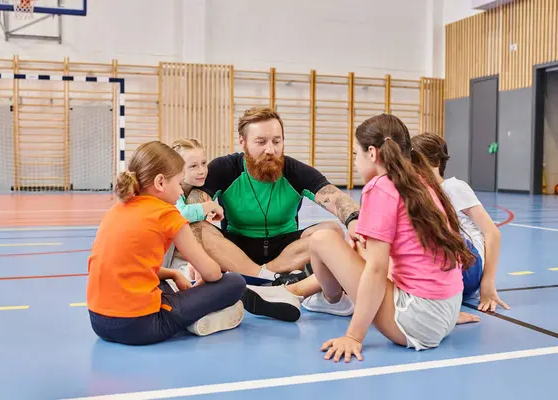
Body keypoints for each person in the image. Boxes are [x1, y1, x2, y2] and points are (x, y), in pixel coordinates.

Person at [311, 114, 477, 362]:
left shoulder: (380, 187)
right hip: (448, 309)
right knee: (360, 247)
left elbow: (377, 270)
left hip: (416, 320)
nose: (355, 162)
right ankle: (327, 296)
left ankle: (333, 301)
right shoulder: (422, 182)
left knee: (322, 239)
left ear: (371, 153)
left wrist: (354, 336)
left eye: (355, 154)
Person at [184, 107, 359, 321]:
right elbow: (193, 203)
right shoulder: (225, 168)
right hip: (235, 248)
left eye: (277, 141)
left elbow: (335, 198)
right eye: (261, 142)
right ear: (243, 142)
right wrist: (197, 256)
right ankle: (271, 281)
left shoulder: (294, 171)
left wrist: (354, 219)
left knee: (331, 231)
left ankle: (258, 281)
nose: (270, 150)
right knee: (198, 228)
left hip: (285, 251)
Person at [86, 141, 247, 345]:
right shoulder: (168, 214)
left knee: (164, 283)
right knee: (234, 282)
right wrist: (209, 280)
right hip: (141, 327)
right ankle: (195, 319)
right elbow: (211, 273)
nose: (181, 192)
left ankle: (187, 311)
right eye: (179, 183)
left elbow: (130, 265)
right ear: (160, 182)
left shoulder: (116, 210)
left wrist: (172, 273)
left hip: (99, 323)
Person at [411, 132, 509, 313]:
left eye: (420, 163)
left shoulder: (453, 187)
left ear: (437, 163)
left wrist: (487, 283)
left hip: (470, 263)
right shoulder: (421, 194)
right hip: (448, 275)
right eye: (413, 165)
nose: (416, 170)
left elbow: (492, 232)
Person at [161, 138, 224, 280]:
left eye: (203, 163)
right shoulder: (172, 190)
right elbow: (181, 214)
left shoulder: (196, 189)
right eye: (193, 166)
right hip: (163, 262)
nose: (201, 171)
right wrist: (211, 206)